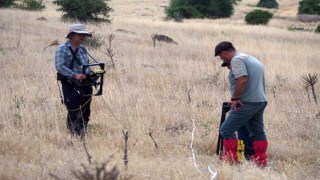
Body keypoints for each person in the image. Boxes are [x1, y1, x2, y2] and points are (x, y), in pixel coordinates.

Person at [215, 41, 268, 166]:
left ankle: (230, 160)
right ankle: (260, 160)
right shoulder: (250, 58)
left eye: (221, 57)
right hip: (260, 101)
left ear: (223, 53)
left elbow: (242, 79)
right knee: (257, 132)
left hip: (247, 102)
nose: (222, 59)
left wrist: (234, 98)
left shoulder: (236, 60)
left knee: (226, 129)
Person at [55, 24, 93, 136]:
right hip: (69, 83)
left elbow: (86, 65)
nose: (82, 37)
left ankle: (83, 130)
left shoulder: (83, 49)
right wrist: (75, 75)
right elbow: (59, 66)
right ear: (71, 35)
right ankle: (74, 132)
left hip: (85, 83)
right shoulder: (62, 49)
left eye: (84, 35)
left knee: (86, 109)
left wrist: (91, 74)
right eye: (79, 34)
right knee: (73, 108)